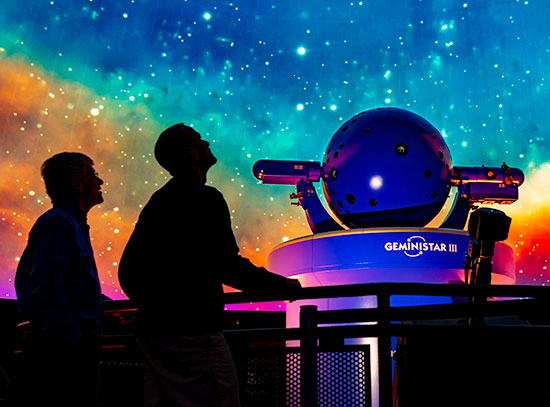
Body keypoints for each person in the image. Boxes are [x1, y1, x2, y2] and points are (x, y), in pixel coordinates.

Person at [118, 123, 301, 407]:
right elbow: (227, 265)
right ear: (192, 152)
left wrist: (158, 305)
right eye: (200, 139)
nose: (207, 142)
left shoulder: (160, 201)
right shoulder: (205, 198)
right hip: (193, 336)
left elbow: (128, 273)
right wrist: (285, 286)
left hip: (156, 336)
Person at [14, 152, 104, 407]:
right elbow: (45, 285)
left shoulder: (64, 223)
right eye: (93, 175)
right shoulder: (59, 223)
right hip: (62, 346)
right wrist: (69, 333)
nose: (100, 182)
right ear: (77, 183)